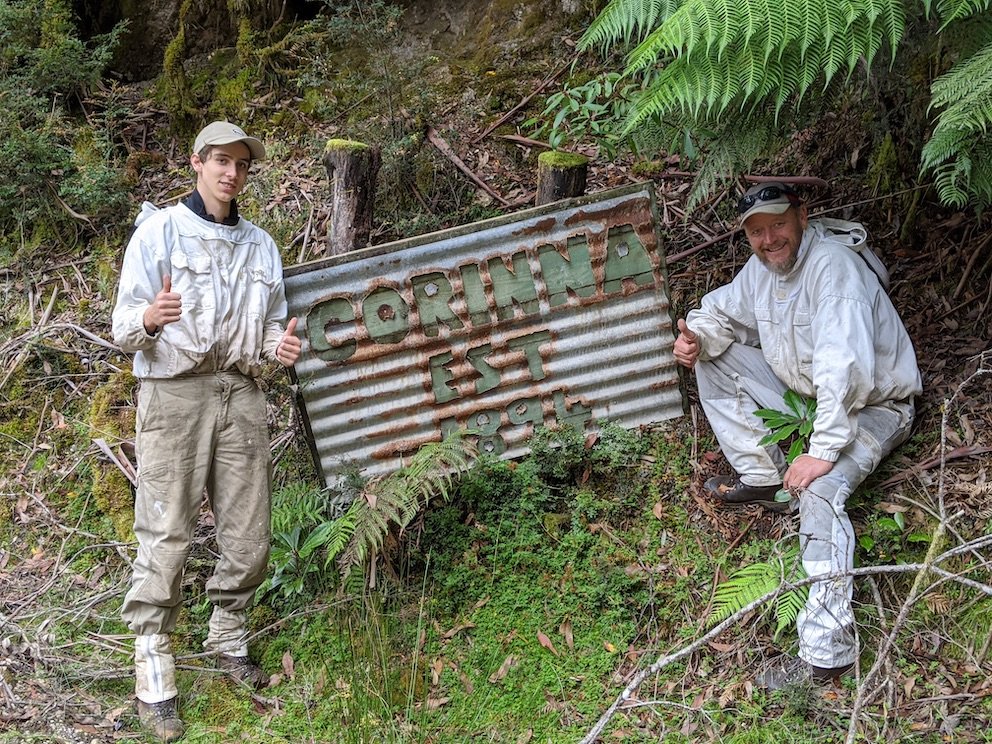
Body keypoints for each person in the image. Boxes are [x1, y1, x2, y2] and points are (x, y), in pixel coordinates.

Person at [672, 181, 922, 688]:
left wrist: (822, 452)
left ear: (802, 217)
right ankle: (763, 478)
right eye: (757, 232)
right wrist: (698, 338)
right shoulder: (765, 269)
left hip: (876, 406)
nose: (769, 240)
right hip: (810, 396)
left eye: (778, 225)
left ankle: (826, 653)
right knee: (715, 361)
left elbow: (844, 369)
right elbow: (722, 311)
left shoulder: (833, 268)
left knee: (819, 492)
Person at [112, 121, 302, 742]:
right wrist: (149, 316)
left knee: (249, 531)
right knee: (166, 526)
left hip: (243, 393)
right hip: (174, 394)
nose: (230, 173)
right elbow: (123, 326)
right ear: (196, 163)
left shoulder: (262, 246)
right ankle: (153, 663)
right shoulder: (159, 231)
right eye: (220, 161)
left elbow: (273, 324)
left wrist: (283, 346)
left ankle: (228, 633)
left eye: (241, 164)